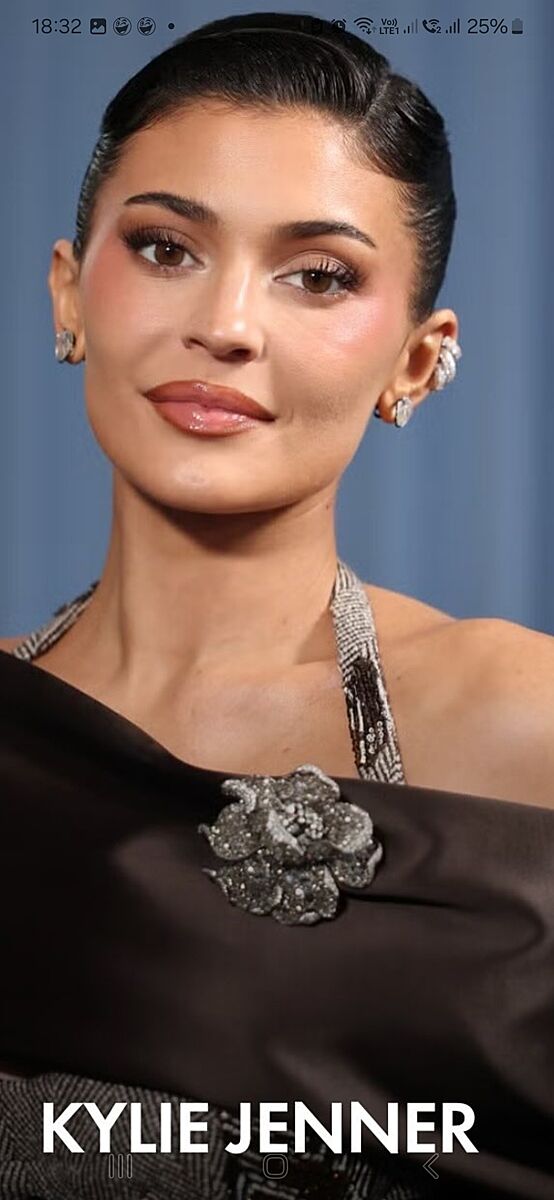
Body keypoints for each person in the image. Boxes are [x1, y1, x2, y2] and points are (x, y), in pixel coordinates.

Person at [0, 11, 553, 1199]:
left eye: (317, 276)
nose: (225, 326)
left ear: (415, 360)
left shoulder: (524, 720)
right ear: (68, 292)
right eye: (164, 248)